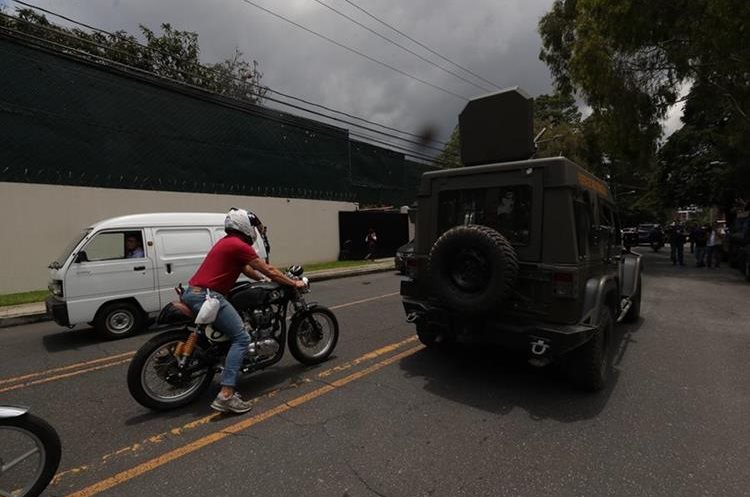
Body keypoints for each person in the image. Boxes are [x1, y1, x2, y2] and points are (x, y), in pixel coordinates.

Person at [181, 208, 306, 414]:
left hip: (192, 292)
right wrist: (292, 282)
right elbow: (268, 268)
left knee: (229, 332)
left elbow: (249, 270)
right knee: (241, 337)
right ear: (244, 226)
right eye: (253, 225)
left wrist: (263, 280)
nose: (255, 230)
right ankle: (227, 395)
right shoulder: (238, 245)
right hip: (209, 296)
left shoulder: (225, 243)